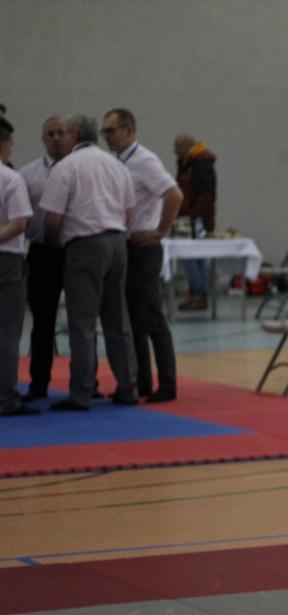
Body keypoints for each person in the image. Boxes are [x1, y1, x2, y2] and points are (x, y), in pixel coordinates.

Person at [39, 114, 138, 410]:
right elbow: (129, 213)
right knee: (118, 320)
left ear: (73, 135)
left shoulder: (66, 166)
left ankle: (81, 392)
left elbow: (52, 218)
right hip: (117, 242)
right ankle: (128, 387)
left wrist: (55, 243)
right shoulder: (117, 165)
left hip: (85, 244)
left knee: (82, 323)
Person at [102, 109, 183, 402]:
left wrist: (160, 231)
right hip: (127, 245)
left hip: (143, 247)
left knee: (151, 317)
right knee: (133, 319)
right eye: (104, 132)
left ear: (128, 129)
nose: (107, 137)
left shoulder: (144, 160)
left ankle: (168, 385)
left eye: (111, 131)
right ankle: (142, 381)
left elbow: (174, 194)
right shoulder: (119, 161)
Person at [18, 116, 69, 401]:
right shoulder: (27, 175)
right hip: (41, 252)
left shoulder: (80, 169)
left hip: (74, 250)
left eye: (61, 132)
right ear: (43, 138)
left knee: (82, 321)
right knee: (42, 322)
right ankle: (38, 384)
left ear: (70, 136)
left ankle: (87, 383)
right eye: (51, 133)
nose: (56, 138)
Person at [0, 116, 37, 416]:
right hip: (6, 260)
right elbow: (19, 223)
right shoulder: (10, 178)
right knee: (7, 332)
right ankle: (5, 397)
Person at [174, 133, 217, 311]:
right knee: (193, 258)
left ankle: (199, 293)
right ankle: (197, 292)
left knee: (192, 257)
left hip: (196, 220)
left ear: (186, 147)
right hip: (187, 217)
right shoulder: (186, 164)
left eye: (177, 147)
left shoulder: (200, 165)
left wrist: (192, 216)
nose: (174, 151)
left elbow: (206, 195)